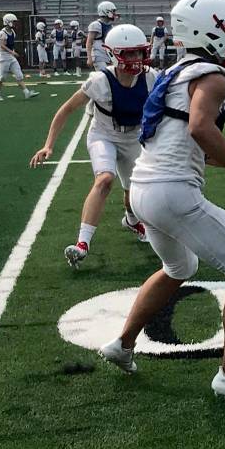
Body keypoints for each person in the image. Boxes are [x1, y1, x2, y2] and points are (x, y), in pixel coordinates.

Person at [97, 0, 225, 403]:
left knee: (179, 265)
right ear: (210, 28)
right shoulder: (213, 76)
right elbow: (201, 130)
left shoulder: (178, 70)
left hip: (144, 189)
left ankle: (123, 344)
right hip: (171, 191)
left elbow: (193, 144)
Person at [30, 25, 156, 268]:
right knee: (105, 179)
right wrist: (48, 145)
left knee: (135, 192)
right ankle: (82, 244)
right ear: (113, 54)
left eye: (139, 53)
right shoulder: (100, 81)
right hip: (103, 135)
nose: (135, 59)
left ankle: (131, 221)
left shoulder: (151, 77)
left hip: (133, 137)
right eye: (128, 54)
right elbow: (66, 109)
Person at [0, 13, 39, 101]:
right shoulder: (2, 33)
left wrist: (13, 52)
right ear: (8, 22)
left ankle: (26, 93)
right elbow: (2, 46)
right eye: (13, 22)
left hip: (11, 56)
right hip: (4, 57)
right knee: (2, 77)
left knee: (19, 75)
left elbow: (10, 45)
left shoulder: (12, 32)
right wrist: (12, 52)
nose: (15, 24)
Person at [87, 1, 118, 72]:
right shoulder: (96, 25)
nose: (114, 14)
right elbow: (89, 42)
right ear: (106, 11)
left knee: (110, 77)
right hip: (98, 55)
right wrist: (89, 58)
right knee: (104, 77)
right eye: (112, 11)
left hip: (107, 56)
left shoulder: (110, 26)